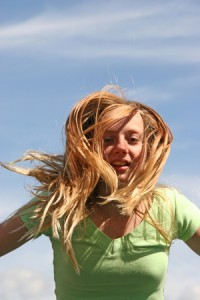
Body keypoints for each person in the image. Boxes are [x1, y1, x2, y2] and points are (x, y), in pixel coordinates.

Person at [0, 86, 200, 300]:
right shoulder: (60, 205)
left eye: (133, 139)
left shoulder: (170, 206)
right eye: (108, 139)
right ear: (89, 147)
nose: (122, 147)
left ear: (146, 148)